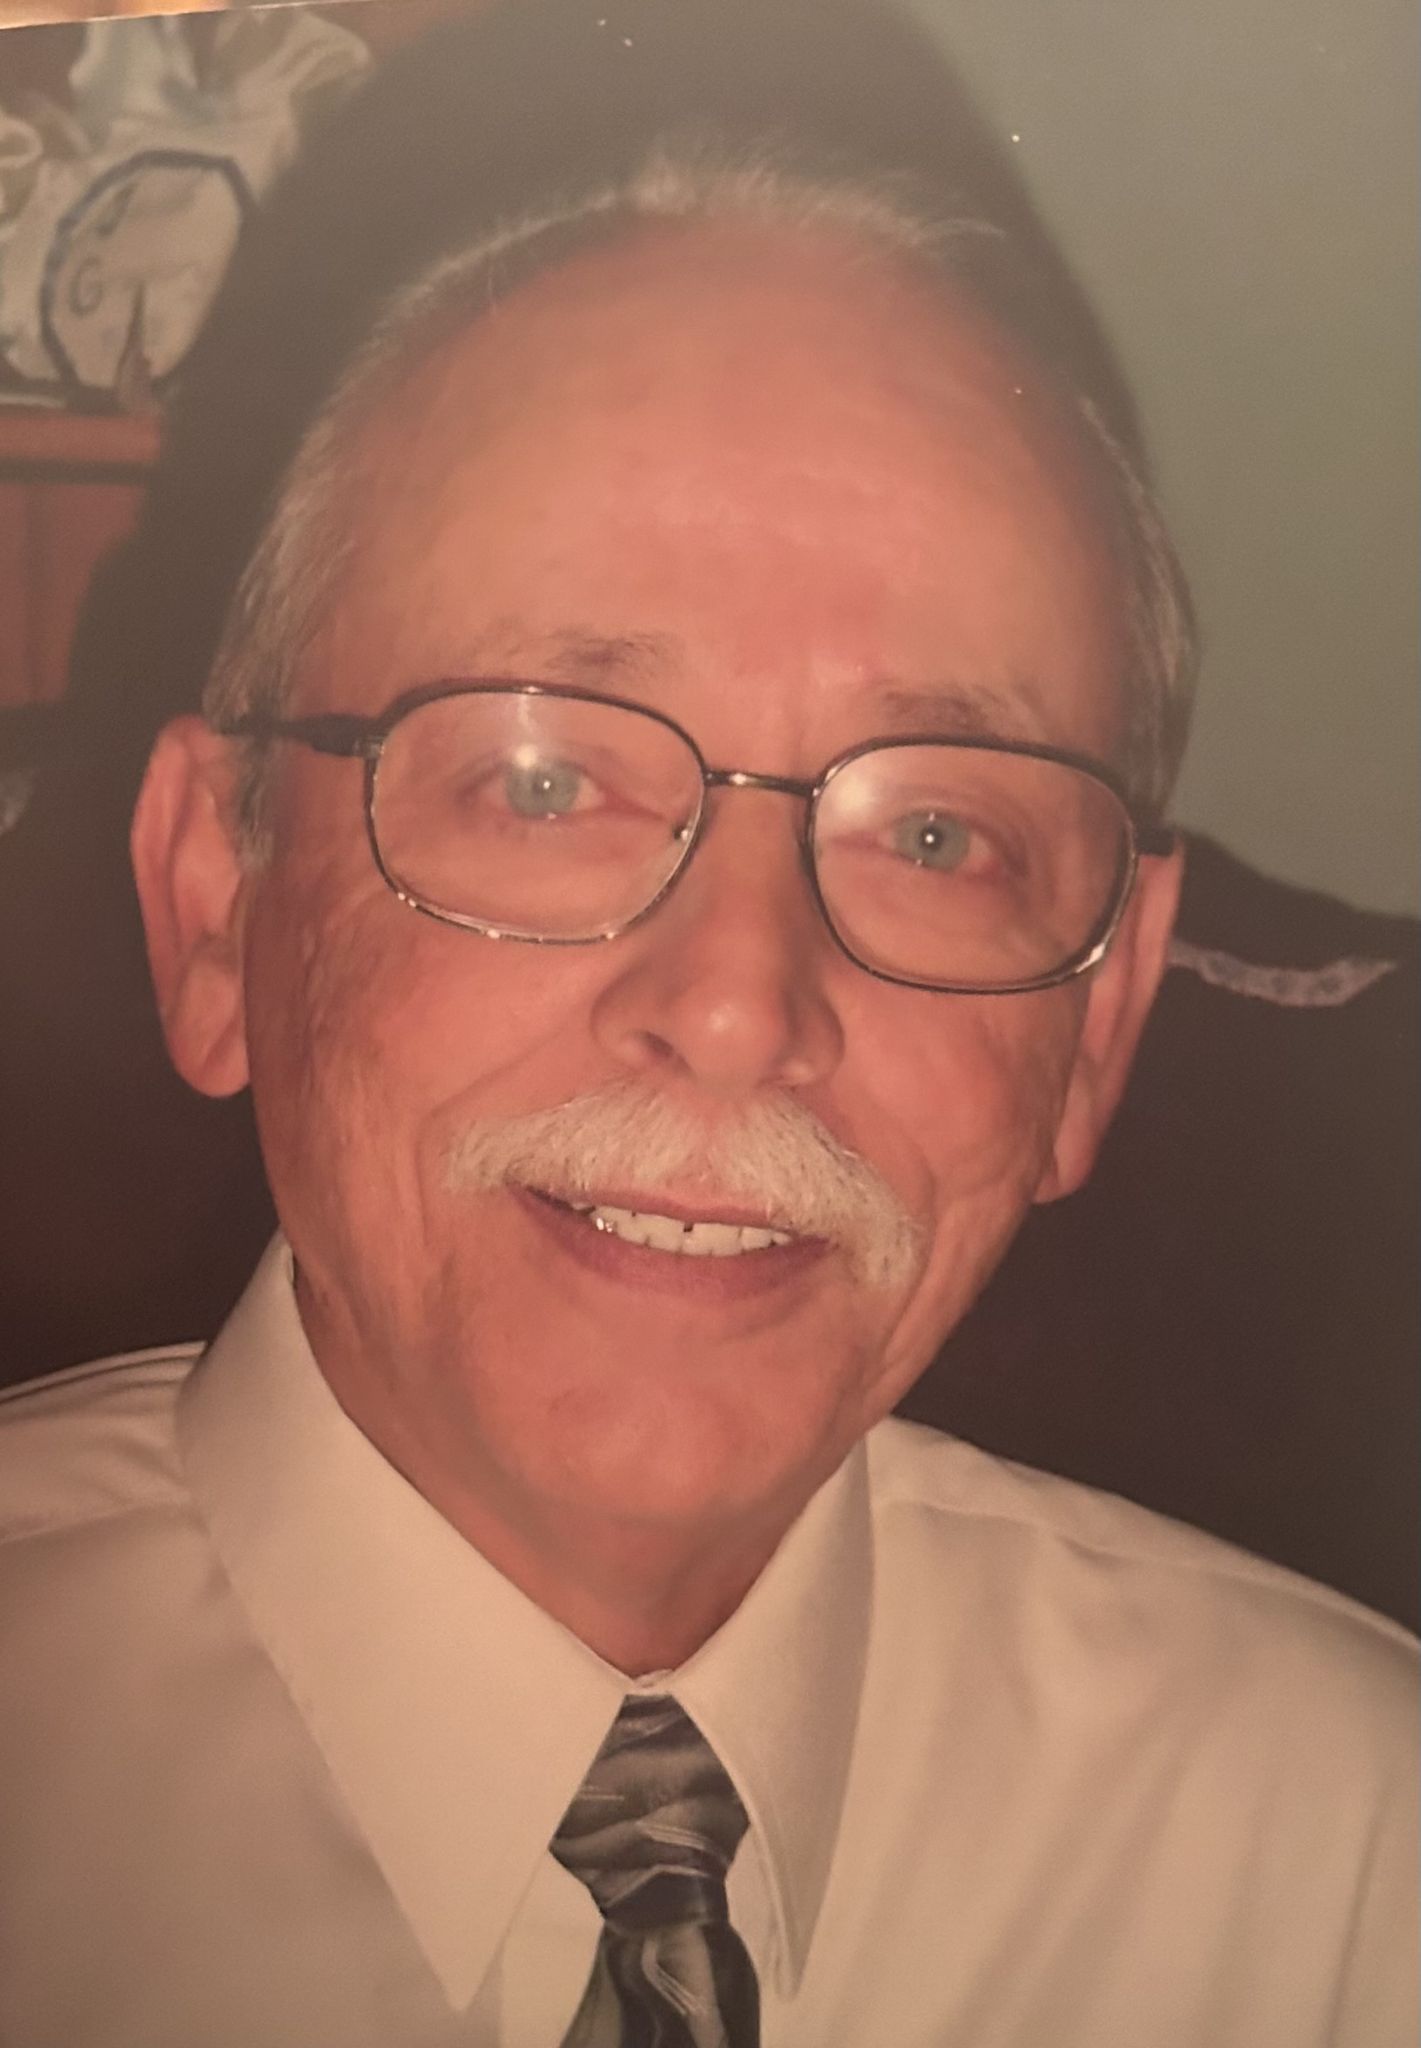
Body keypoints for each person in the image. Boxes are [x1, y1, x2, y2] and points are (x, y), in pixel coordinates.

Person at [0, 3, 1413, 2043]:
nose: (743, 1003)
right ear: (216, 903)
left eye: (933, 832)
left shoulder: (1349, 1866)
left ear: (1099, 1023)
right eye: (544, 781)